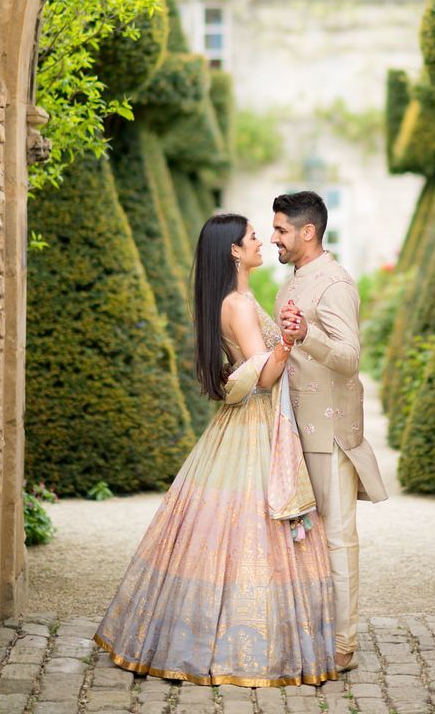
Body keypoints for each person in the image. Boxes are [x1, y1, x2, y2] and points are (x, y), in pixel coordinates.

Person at [94, 213, 337, 687]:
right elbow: (261, 376)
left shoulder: (233, 299)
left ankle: (189, 635)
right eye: (252, 237)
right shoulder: (239, 305)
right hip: (254, 424)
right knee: (252, 531)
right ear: (233, 251)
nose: (262, 241)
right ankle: (242, 648)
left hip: (239, 426)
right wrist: (286, 344)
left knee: (213, 530)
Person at [272, 191, 387, 673]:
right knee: (300, 541)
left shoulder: (336, 282)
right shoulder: (294, 281)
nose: (274, 237)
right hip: (294, 430)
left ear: (307, 232)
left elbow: (350, 357)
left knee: (338, 538)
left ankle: (343, 645)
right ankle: (311, 633)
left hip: (329, 432)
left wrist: (306, 337)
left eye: (280, 229)